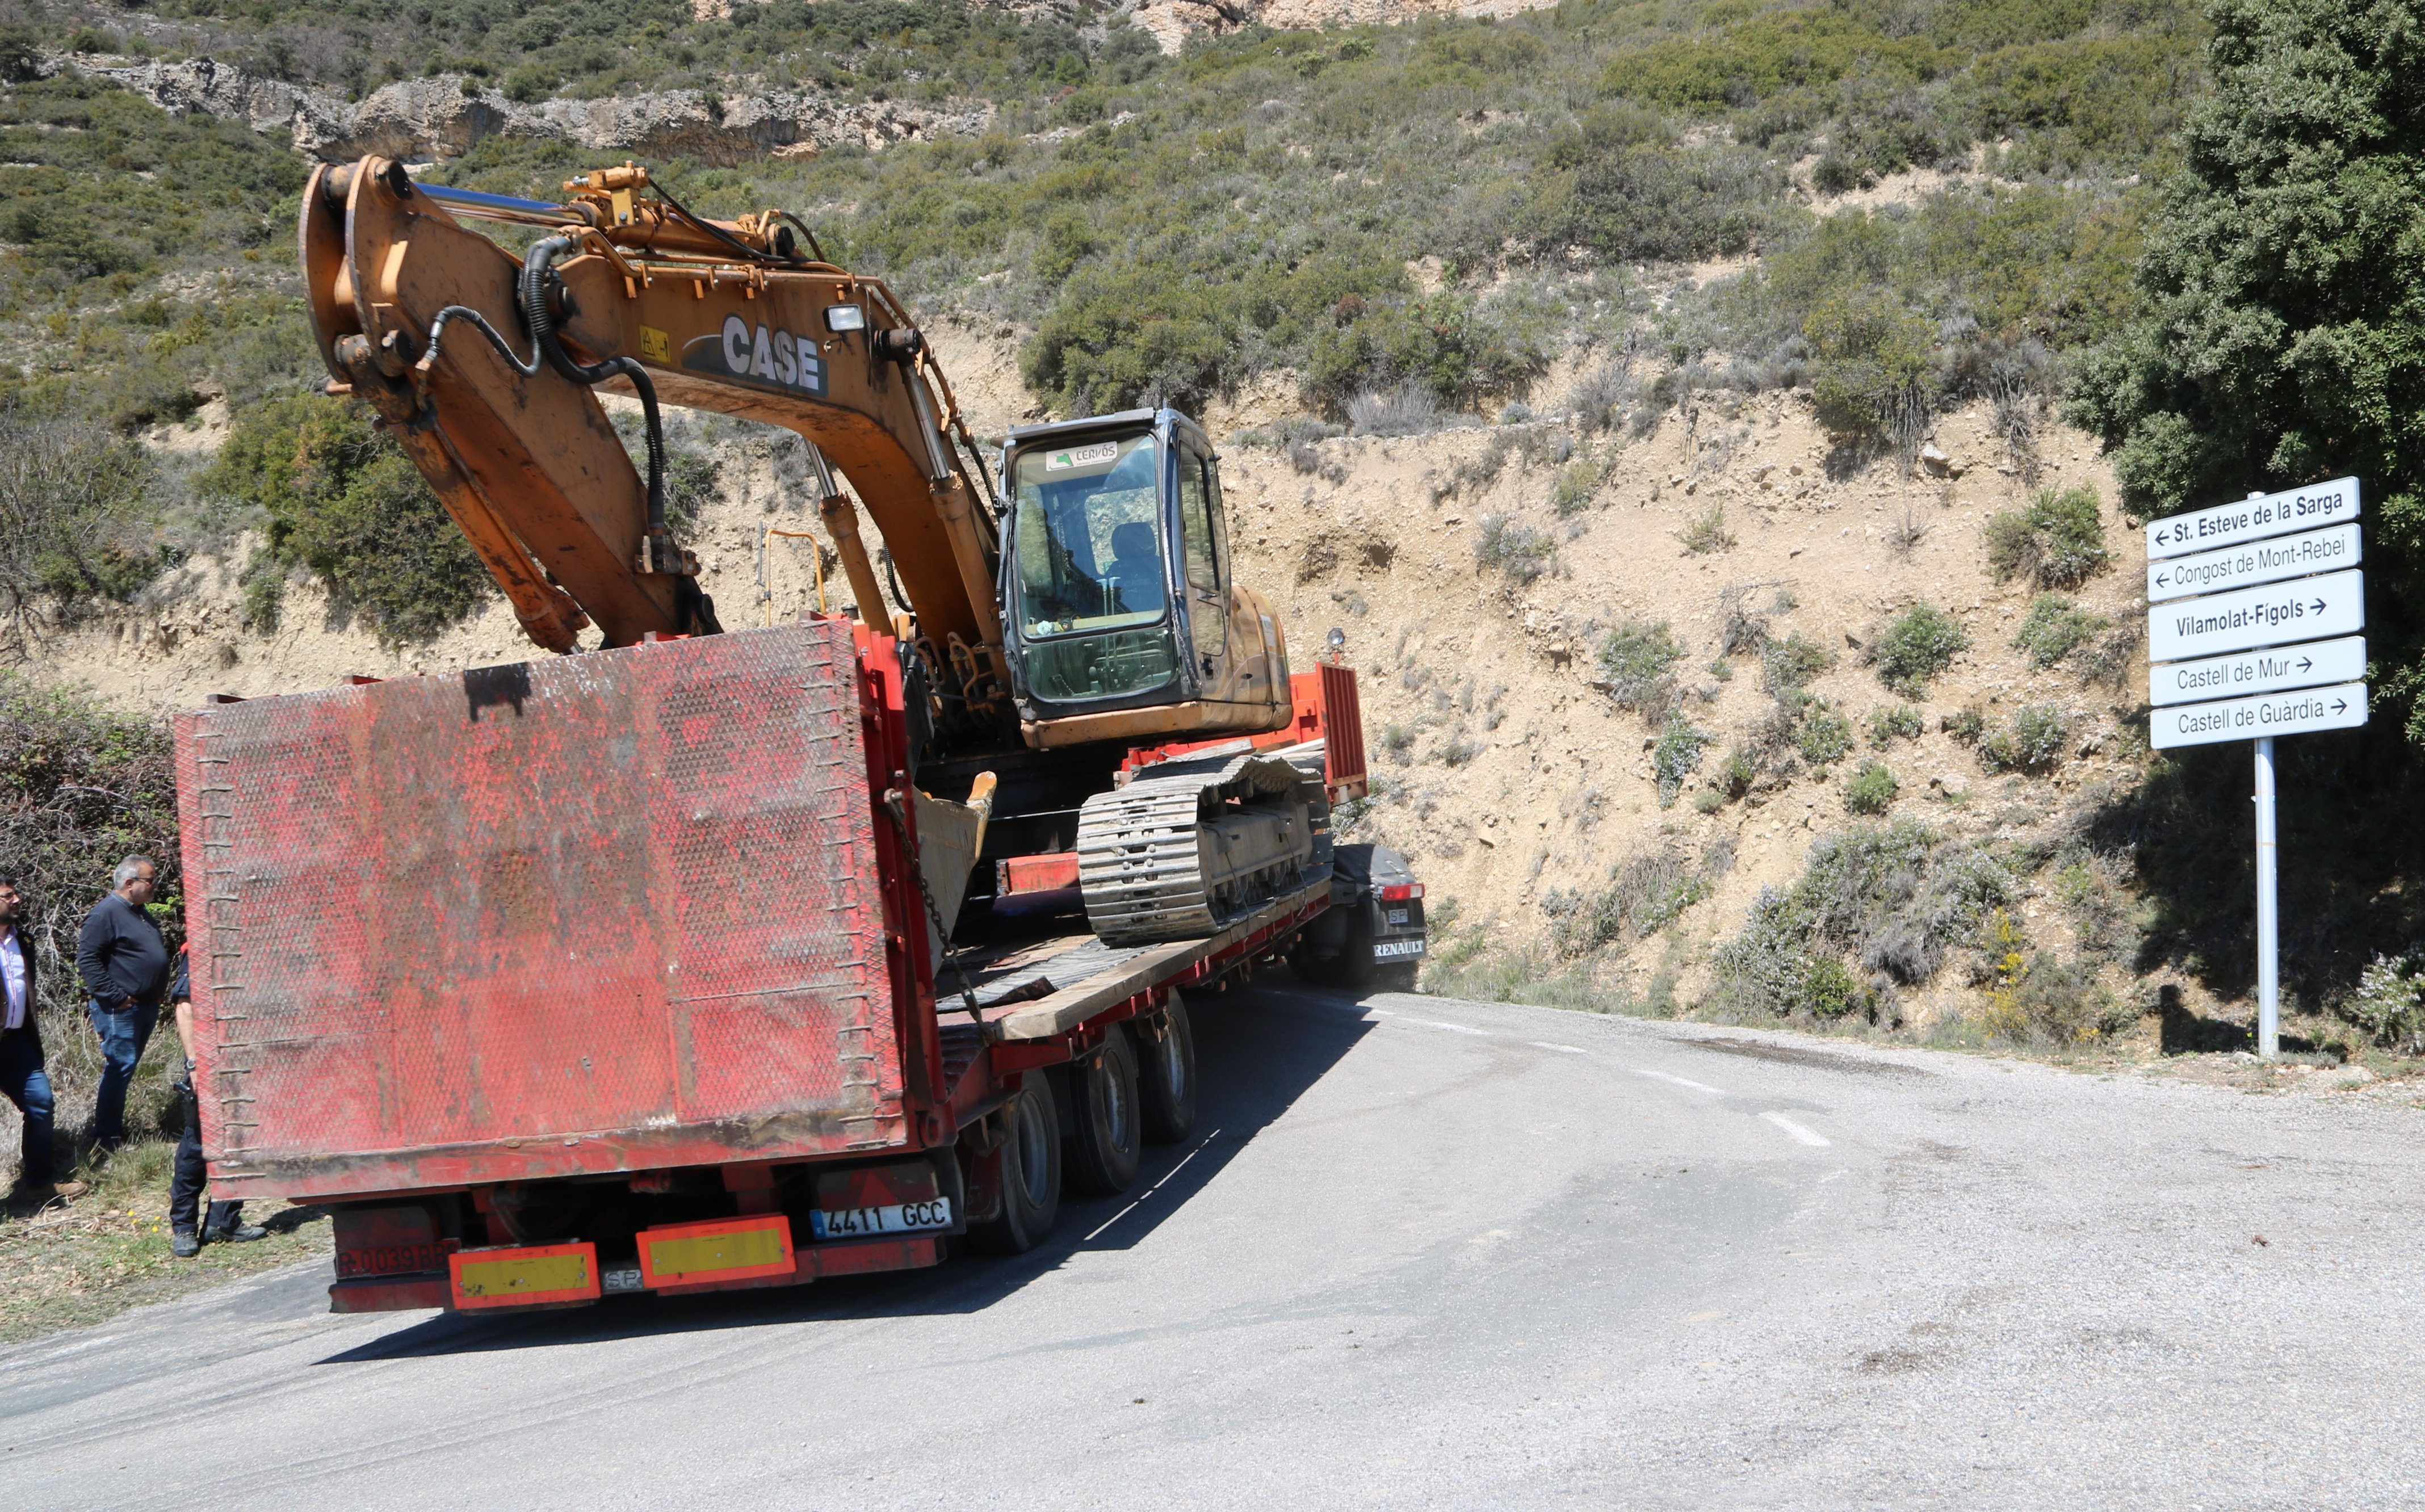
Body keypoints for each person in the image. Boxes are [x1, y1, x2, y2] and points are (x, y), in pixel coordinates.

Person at [166, 946, 262, 1257]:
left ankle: (224, 1221)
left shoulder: (243, 941)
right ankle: (184, 1228)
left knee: (238, 1141)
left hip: (241, 1061)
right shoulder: (202, 945)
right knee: (197, 1144)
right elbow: (185, 1007)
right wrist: (195, 1065)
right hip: (208, 1064)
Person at [1, 875, 87, 1207]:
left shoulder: (23, 939)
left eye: (16, 893)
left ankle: (38, 1183)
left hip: (18, 1042)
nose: (17, 900)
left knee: (40, 1104)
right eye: (8, 896)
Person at [76, 855, 169, 1151]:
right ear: (130, 883)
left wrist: (154, 989)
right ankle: (106, 1140)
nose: (155, 886)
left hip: (144, 1006)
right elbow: (88, 961)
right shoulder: (106, 913)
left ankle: (113, 1131)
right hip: (121, 1010)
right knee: (119, 1069)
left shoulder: (140, 912)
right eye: (150, 880)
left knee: (126, 1069)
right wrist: (117, 998)